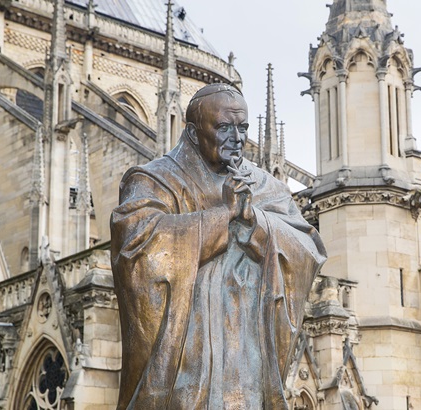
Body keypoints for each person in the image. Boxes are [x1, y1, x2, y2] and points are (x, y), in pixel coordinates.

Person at [111, 83, 326, 409]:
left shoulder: (263, 185)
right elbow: (137, 247)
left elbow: (308, 246)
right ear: (193, 133)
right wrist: (223, 215)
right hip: (186, 365)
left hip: (246, 362)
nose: (237, 138)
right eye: (224, 127)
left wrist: (254, 221)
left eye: (243, 128)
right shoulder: (153, 180)